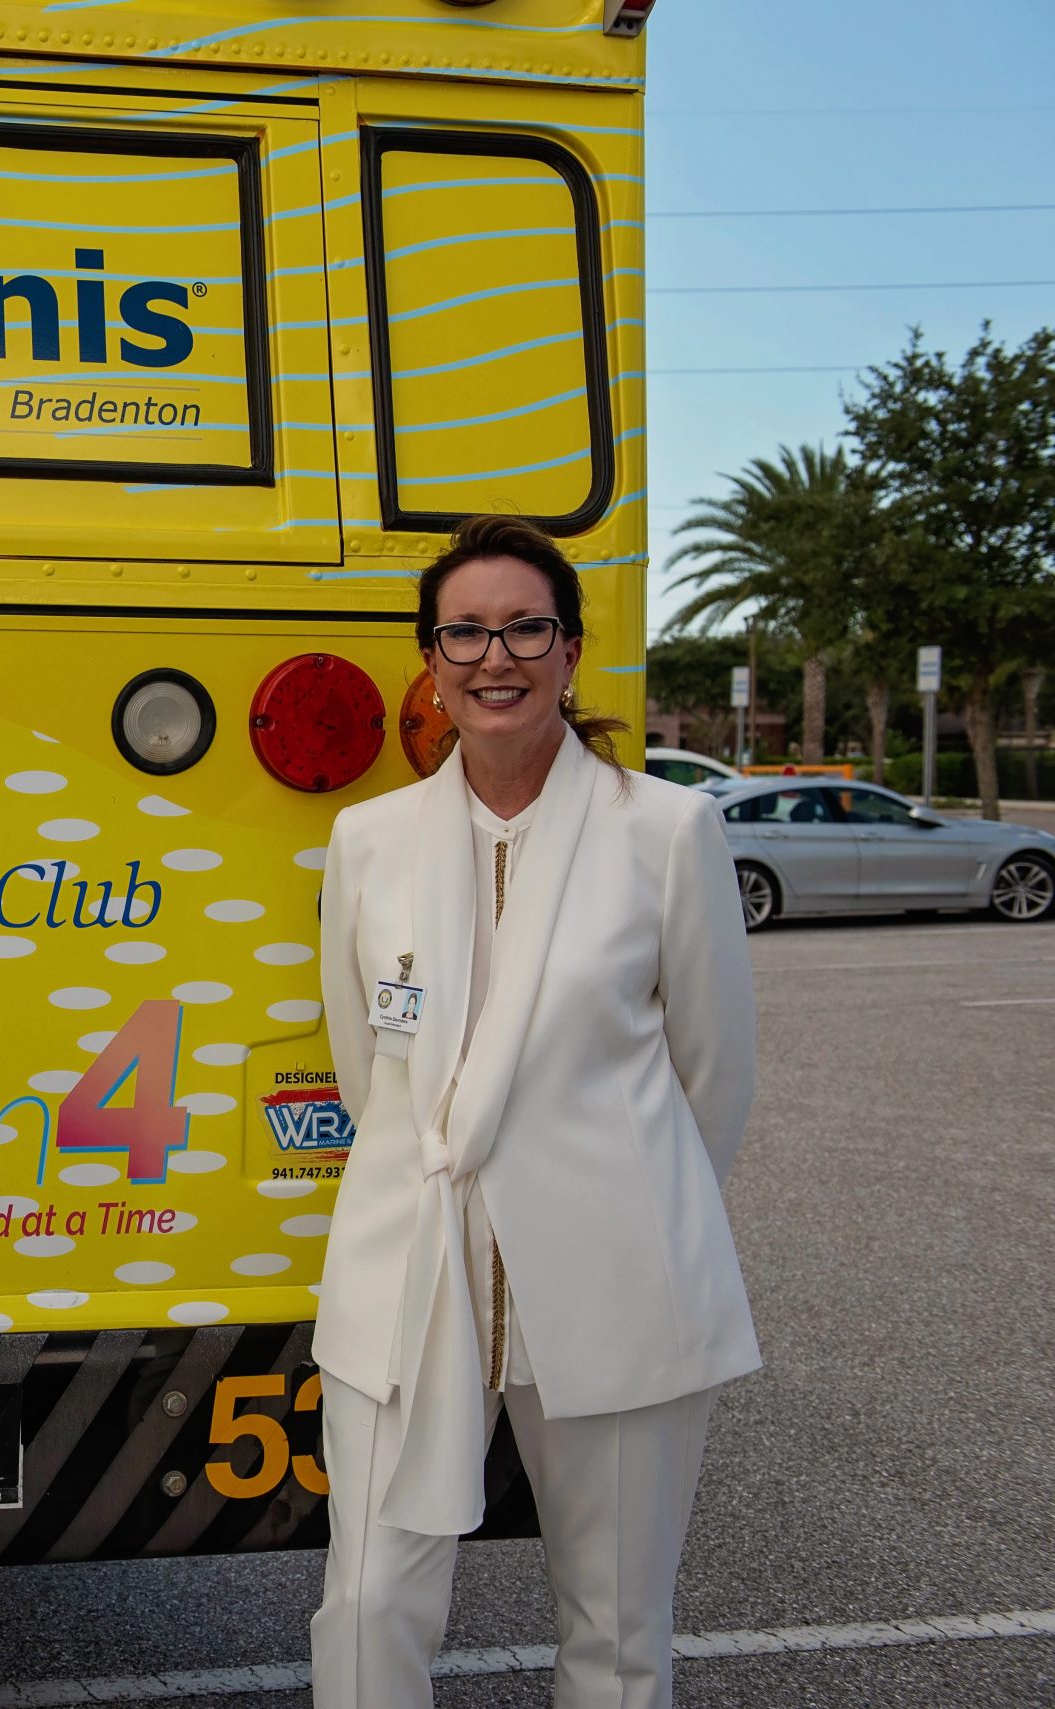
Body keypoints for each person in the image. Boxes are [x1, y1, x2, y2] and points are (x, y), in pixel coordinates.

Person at [310, 514, 759, 1708]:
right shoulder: (366, 840)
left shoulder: (666, 831)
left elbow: (711, 1075)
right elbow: (368, 1070)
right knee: (365, 1601)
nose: (493, 656)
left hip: (616, 1276)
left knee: (615, 1628)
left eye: (524, 628)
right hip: (407, 1270)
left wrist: (619, 1198)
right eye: (464, 631)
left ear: (569, 650)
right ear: (430, 657)